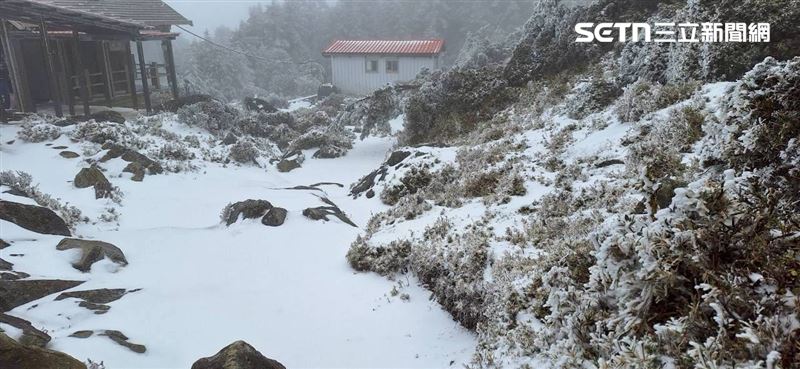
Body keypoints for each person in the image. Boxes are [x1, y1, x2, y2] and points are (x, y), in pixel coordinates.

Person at [0, 58, 11, 123]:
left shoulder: (3, 64)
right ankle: (3, 117)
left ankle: (4, 116)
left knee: (5, 96)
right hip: (3, 81)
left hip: (3, 80)